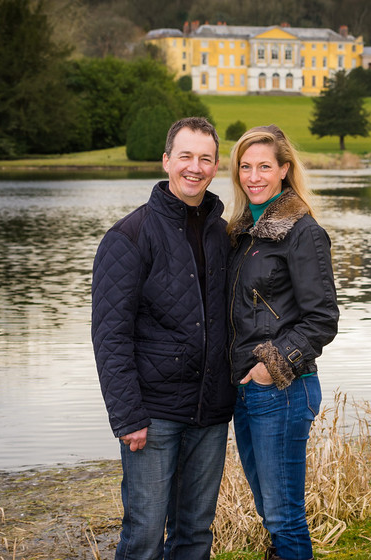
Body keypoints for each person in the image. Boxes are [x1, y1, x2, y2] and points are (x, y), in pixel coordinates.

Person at [91, 117, 236, 560]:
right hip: (153, 416)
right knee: (144, 537)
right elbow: (110, 335)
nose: (195, 167)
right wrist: (127, 415)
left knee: (195, 534)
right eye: (186, 156)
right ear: (166, 161)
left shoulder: (221, 233)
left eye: (205, 158)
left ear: (215, 167)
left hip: (210, 413)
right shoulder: (129, 236)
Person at [226, 125, 339, 560]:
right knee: (270, 511)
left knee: (284, 515)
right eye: (245, 167)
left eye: (265, 167)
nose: (254, 176)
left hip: (283, 389)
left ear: (285, 170)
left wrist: (268, 367)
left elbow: (322, 319)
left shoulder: (302, 232)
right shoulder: (242, 233)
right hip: (249, 390)